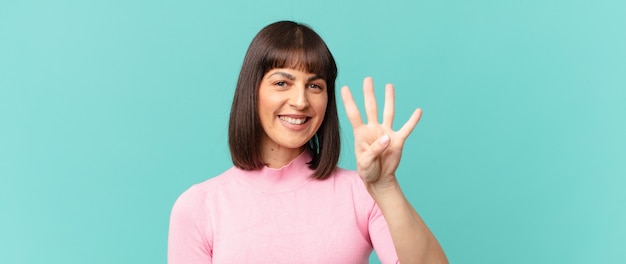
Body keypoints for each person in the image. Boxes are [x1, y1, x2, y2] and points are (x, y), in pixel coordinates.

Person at [168, 21, 448, 264]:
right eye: (282, 83)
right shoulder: (199, 206)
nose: (301, 101)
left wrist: (386, 186)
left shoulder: (361, 194)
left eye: (315, 86)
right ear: (252, 91)